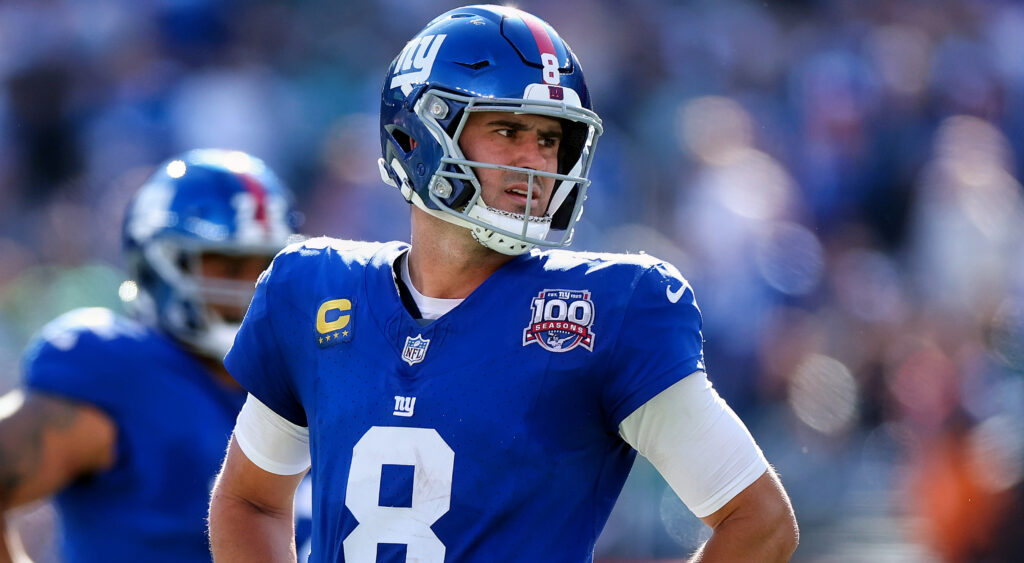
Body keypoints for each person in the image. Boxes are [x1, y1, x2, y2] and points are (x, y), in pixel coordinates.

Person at [209, 5, 798, 562]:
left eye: (549, 140)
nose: (537, 162)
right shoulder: (315, 289)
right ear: (418, 132)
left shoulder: (606, 311)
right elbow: (250, 500)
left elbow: (758, 518)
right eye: (508, 130)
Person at [0, 149, 305, 562]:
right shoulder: (123, 373)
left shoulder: (305, 382)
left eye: (265, 264)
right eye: (228, 265)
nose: (251, 284)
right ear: (158, 263)